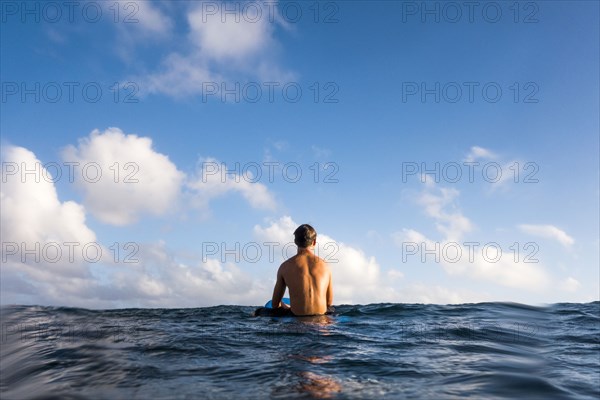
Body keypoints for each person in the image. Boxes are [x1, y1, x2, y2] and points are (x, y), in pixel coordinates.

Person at [268, 224, 334, 317]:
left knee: (261, 311)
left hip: (298, 323)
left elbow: (275, 304)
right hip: (321, 324)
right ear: (314, 242)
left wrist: (286, 307)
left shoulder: (285, 267)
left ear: (295, 242)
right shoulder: (325, 266)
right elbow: (329, 302)